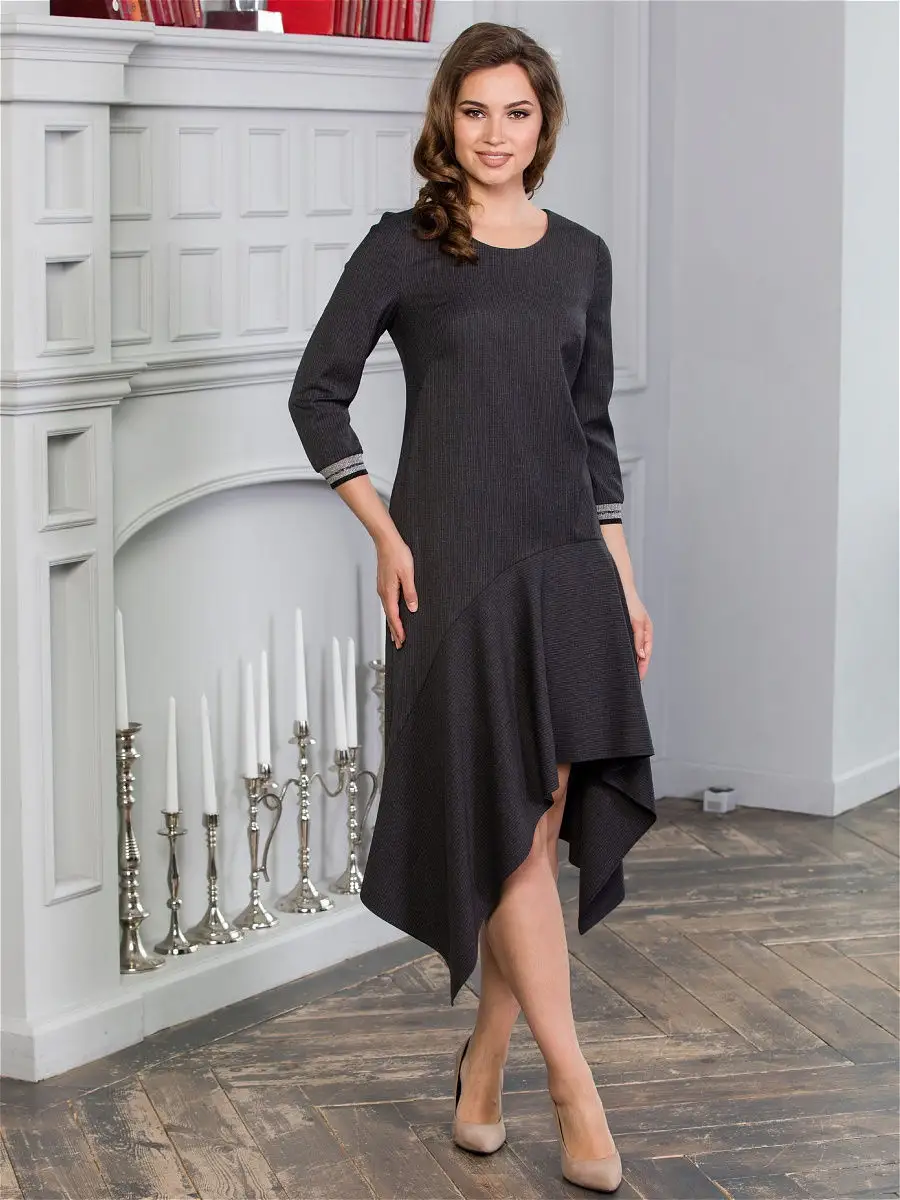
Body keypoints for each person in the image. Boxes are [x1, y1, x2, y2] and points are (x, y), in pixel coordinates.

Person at [288, 21, 656, 1194]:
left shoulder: (583, 257)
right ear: (446, 120)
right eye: (475, 110)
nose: (496, 134)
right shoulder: (404, 249)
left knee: (528, 837)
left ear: (545, 125)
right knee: (507, 834)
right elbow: (316, 395)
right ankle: (575, 1086)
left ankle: (483, 1073)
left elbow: (591, 432)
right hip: (452, 573)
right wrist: (385, 531)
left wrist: (624, 580)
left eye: (518, 112)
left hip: (568, 570)